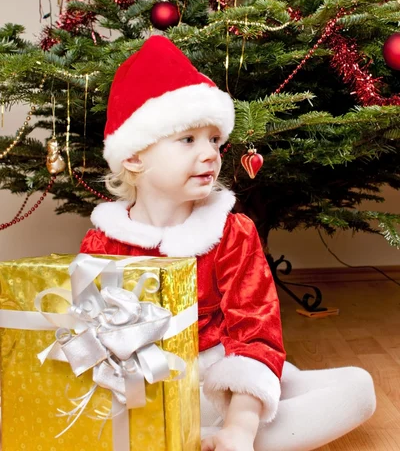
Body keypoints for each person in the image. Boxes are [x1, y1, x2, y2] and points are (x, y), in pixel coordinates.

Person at [79, 35, 376, 451]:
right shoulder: (103, 242)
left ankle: (223, 439)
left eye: (215, 140)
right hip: (145, 394)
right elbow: (88, 340)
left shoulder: (231, 231)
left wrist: (240, 426)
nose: (210, 154)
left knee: (357, 387)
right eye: (188, 140)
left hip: (224, 386)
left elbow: (256, 333)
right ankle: (190, 439)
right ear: (133, 157)